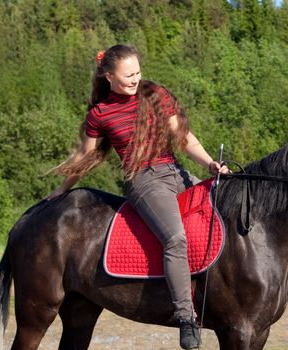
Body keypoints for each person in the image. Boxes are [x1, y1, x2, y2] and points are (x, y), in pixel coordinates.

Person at [47, 44, 228, 349]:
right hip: (145, 182)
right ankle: (186, 318)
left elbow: (182, 137)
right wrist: (62, 189)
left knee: (223, 210)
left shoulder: (155, 94)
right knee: (175, 239)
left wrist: (210, 163)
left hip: (175, 171)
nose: (135, 78)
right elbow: (85, 158)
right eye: (128, 74)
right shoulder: (100, 114)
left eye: (138, 72)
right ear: (108, 76)